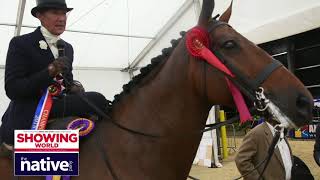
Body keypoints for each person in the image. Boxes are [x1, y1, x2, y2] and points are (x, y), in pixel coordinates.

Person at [0, 0, 108, 149]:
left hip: (59, 104)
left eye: (64, 13)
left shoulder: (68, 48)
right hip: (32, 109)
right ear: (40, 15)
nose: (62, 18)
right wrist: (49, 71)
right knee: (97, 99)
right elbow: (13, 89)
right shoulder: (21, 43)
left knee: (99, 101)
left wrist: (74, 87)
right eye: (55, 13)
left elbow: (66, 81)